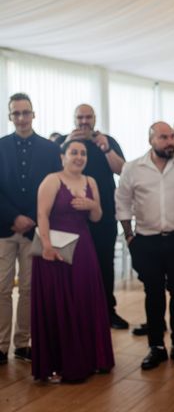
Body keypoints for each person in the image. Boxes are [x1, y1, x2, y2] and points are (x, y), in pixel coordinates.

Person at [116, 122, 174, 370]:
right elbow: (122, 203)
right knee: (153, 294)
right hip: (146, 241)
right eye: (164, 137)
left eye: (172, 136)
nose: (171, 140)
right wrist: (129, 237)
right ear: (151, 140)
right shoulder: (132, 168)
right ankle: (155, 347)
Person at [32, 140, 114, 382]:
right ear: (62, 156)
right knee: (59, 303)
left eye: (83, 153)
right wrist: (46, 245)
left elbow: (97, 217)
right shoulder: (52, 180)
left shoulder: (91, 182)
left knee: (83, 300)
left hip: (83, 249)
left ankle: (90, 358)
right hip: (55, 250)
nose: (79, 157)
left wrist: (92, 205)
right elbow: (41, 215)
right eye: (74, 152)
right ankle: (60, 362)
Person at [0, 93, 61, 366]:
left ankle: (23, 343)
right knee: (0, 289)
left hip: (35, 230)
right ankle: (0, 346)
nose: (22, 118)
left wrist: (34, 219)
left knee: (28, 289)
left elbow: (54, 188)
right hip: (3, 228)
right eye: (16, 113)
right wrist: (14, 216)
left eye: (26, 113)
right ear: (10, 116)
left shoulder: (50, 150)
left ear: (34, 115)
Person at [56, 104, 128, 330]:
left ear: (95, 119)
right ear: (74, 119)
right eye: (80, 117)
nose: (84, 122)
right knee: (71, 266)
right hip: (70, 217)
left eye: (88, 117)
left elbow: (123, 171)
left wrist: (106, 148)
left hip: (104, 215)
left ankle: (108, 311)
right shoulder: (64, 143)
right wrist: (66, 141)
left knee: (105, 264)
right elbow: (52, 170)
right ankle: (74, 312)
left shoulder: (108, 141)